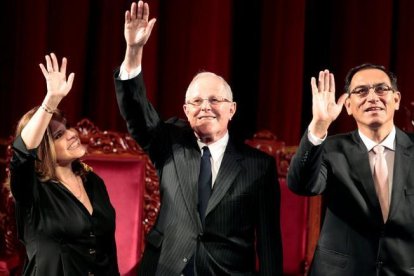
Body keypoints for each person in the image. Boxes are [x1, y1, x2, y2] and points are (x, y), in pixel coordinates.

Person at [113, 1, 283, 275]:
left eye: (214, 99)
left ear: (232, 109)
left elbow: (269, 243)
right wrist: (134, 51)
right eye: (196, 101)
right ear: (185, 111)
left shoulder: (258, 166)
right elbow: (136, 111)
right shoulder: (169, 143)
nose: (205, 106)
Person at [287, 63, 414, 275]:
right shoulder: (329, 148)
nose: (372, 97)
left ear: (396, 100)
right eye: (361, 91)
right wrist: (319, 125)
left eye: (381, 89)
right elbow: (301, 186)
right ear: (348, 105)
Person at [9, 53, 120, 275]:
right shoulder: (31, 189)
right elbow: (22, 153)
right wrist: (50, 101)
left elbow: (108, 251)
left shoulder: (93, 182)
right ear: (43, 150)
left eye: (68, 126)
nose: (72, 134)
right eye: (59, 135)